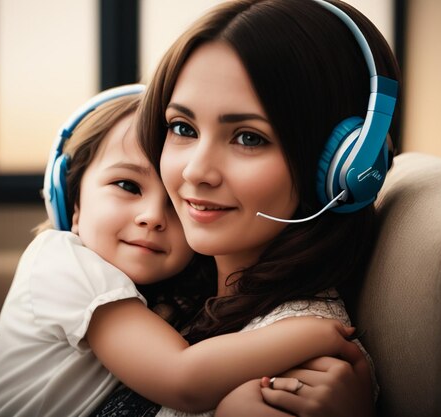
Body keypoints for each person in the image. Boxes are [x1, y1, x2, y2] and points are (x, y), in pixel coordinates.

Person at [0, 85, 365, 417]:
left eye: (178, 206)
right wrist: (316, 333)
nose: (152, 217)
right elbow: (183, 379)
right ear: (73, 204)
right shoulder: (64, 263)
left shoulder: (169, 297)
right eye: (127, 186)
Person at [94, 0, 401, 416]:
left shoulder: (302, 376)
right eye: (183, 128)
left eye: (248, 138)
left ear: (344, 168)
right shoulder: (179, 294)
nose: (196, 171)